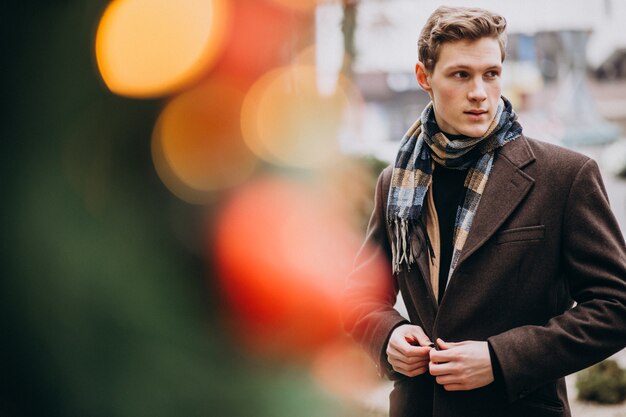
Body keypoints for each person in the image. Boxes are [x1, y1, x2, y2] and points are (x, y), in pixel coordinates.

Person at [343, 6, 626, 417]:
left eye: (491, 74)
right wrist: (388, 336)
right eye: (461, 74)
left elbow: (616, 306)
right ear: (424, 77)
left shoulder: (565, 176)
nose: (480, 92)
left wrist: (499, 358)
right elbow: (358, 297)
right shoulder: (397, 181)